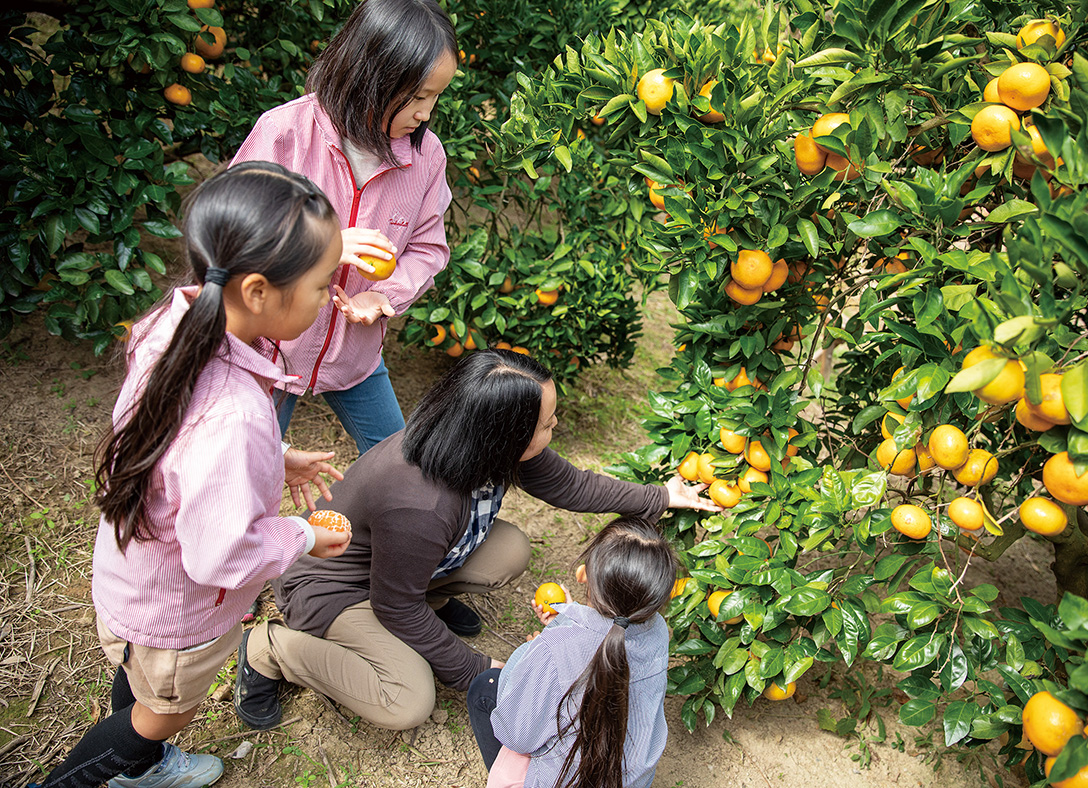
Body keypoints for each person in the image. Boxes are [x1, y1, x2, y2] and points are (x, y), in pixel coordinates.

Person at [31, 163, 354, 788]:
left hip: (133, 569)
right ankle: (87, 778)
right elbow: (220, 558)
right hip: (179, 610)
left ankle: (140, 763)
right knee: (161, 713)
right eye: (321, 286)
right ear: (258, 291)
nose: (330, 299)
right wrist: (302, 536)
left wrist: (271, 461)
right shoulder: (231, 416)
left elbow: (178, 440)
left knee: (135, 672)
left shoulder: (171, 324)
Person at [233, 350, 718, 733]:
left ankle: (433, 597)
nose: (554, 430)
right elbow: (395, 605)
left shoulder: (478, 439)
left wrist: (661, 496)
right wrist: (478, 669)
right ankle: (268, 649)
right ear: (502, 433)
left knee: (510, 551)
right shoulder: (421, 502)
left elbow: (573, 485)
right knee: (408, 699)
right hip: (335, 587)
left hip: (397, 567)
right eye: (546, 424)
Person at [230, 0, 459, 455]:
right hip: (268, 346)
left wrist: (385, 293)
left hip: (356, 355)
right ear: (369, 75)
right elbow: (234, 234)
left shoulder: (425, 156)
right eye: (416, 97)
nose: (426, 113)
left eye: (435, 97)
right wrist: (323, 247)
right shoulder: (284, 133)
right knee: (245, 461)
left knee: (401, 466)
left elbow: (428, 248)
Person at [466, 516, 679, 788]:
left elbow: (516, 734)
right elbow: (605, 634)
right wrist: (568, 621)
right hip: (627, 779)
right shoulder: (658, 632)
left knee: (486, 688)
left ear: (583, 574)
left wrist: (537, 646)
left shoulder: (556, 648)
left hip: (561, 781)